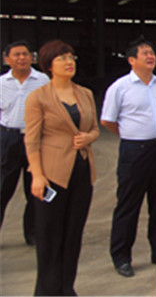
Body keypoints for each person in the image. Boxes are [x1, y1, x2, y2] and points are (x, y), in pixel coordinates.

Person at [24, 40, 99, 295]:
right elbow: (32, 140)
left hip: (82, 171)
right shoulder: (38, 97)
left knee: (73, 234)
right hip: (52, 175)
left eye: (71, 57)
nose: (69, 62)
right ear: (48, 65)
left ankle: (67, 287)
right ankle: (47, 290)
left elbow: (95, 128)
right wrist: (37, 175)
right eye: (62, 58)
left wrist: (89, 137)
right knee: (49, 236)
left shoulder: (85, 94)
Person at [100, 36, 156, 277]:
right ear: (131, 60)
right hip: (134, 151)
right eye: (145, 53)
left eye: (152, 53)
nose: (151, 57)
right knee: (129, 205)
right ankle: (121, 256)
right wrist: (130, 134)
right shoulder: (120, 87)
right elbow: (107, 121)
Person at [1, 40, 49, 245]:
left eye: (25, 54)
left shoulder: (42, 80)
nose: (22, 58)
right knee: (3, 188)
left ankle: (33, 234)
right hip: (8, 138)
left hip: (36, 139)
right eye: (17, 54)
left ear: (32, 57)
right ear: (7, 59)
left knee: (35, 189)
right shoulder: (2, 83)